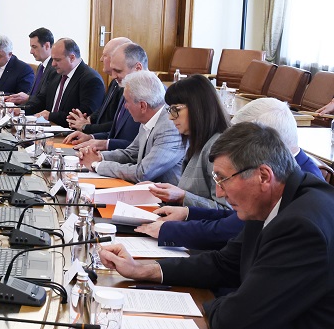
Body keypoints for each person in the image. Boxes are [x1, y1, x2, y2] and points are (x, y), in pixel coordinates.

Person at [99, 122, 334, 328]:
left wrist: (212, 305)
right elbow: (224, 264)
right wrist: (142, 270)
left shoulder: (302, 226)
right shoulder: (268, 202)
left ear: (263, 176)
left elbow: (236, 319)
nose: (219, 193)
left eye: (223, 179)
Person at [138, 97, 324, 249]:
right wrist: (188, 213)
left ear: (268, 142)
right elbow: (233, 217)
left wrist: (171, 230)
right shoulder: (286, 169)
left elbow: (234, 229)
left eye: (240, 142)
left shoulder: (300, 188)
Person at [80, 70, 184, 184]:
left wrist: (96, 165)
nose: (125, 106)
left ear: (142, 106)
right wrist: (99, 156)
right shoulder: (148, 117)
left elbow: (143, 173)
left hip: (160, 194)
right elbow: (131, 153)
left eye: (127, 101)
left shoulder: (170, 127)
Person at [145, 75, 231, 208]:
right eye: (170, 110)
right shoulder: (198, 141)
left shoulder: (218, 147)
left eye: (175, 110)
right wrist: (159, 190)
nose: (170, 117)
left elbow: (226, 210)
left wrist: (182, 197)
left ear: (197, 107)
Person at [64, 43, 145, 150]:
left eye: (118, 71)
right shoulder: (126, 87)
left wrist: (102, 144)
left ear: (138, 68)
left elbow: (139, 146)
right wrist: (90, 137)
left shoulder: (150, 97)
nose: (113, 76)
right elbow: (114, 133)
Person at [19, 37, 105, 127]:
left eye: (57, 60)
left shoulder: (91, 80)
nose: (53, 64)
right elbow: (42, 100)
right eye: (52, 59)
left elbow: (82, 115)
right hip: (47, 128)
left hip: (70, 132)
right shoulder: (55, 73)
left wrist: (51, 116)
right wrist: (21, 110)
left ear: (72, 58)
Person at [66, 37, 131, 132]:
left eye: (105, 55)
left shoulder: (128, 85)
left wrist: (86, 127)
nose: (101, 59)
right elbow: (104, 109)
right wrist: (89, 119)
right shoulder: (115, 81)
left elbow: (118, 124)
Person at [5, 27, 57, 104]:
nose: (31, 51)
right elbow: (34, 95)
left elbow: (46, 100)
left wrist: (28, 99)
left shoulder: (55, 69)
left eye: (34, 47)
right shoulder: (41, 67)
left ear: (47, 46)